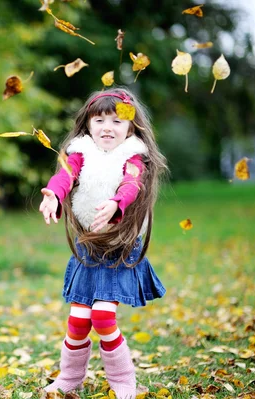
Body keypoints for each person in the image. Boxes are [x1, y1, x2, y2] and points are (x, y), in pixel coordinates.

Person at [38, 87, 168, 399]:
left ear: (131, 127)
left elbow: (132, 183)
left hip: (121, 248)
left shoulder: (134, 155)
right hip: (89, 248)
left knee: (102, 316)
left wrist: (116, 204)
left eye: (116, 121)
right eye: (99, 120)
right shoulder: (80, 152)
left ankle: (124, 383)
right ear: (87, 125)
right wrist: (54, 194)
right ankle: (69, 378)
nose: (107, 127)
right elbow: (65, 176)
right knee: (79, 318)